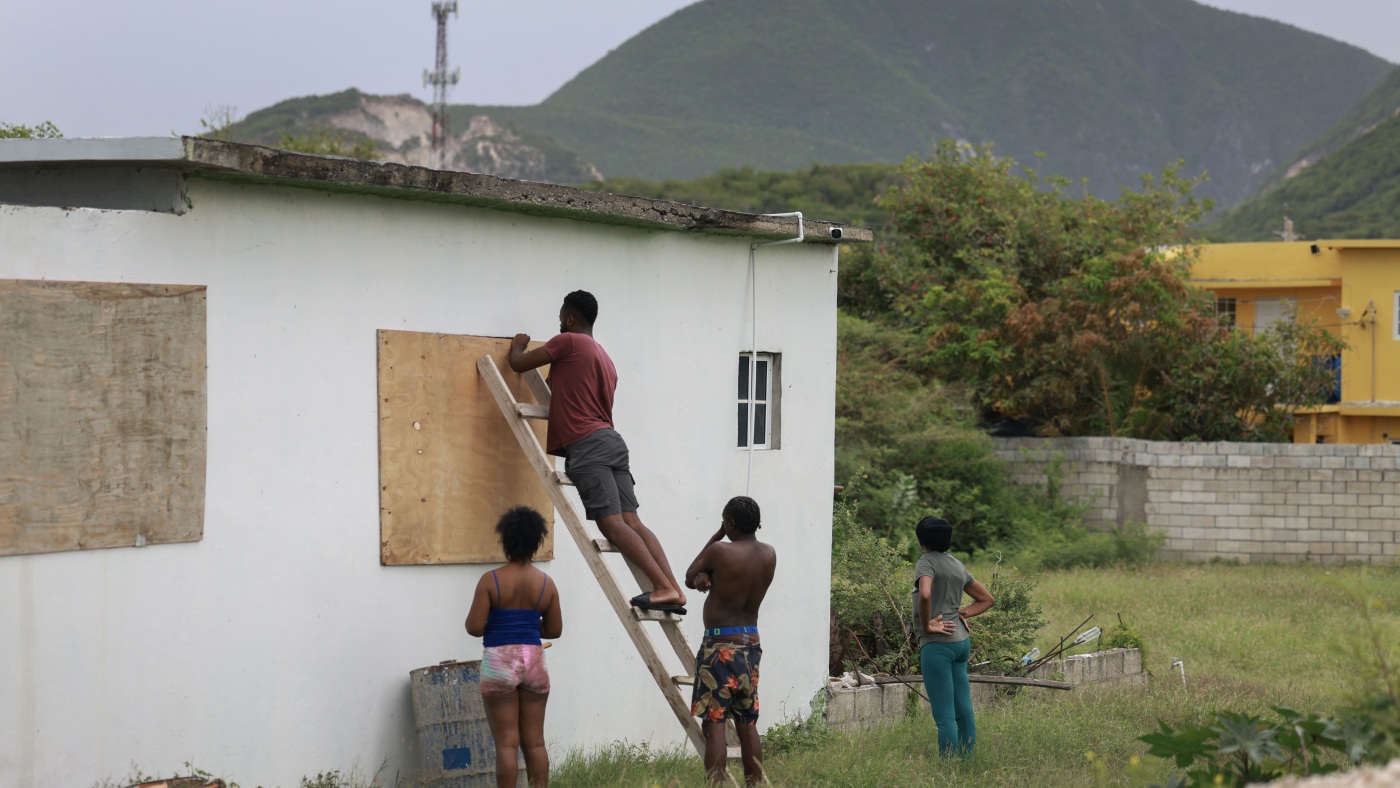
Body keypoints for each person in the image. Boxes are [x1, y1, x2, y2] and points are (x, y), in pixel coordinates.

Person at [509, 290, 686, 614]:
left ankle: (662, 588)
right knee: (633, 521)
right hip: (613, 442)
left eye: (561, 317)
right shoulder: (604, 358)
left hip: (588, 447)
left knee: (612, 525)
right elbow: (570, 387)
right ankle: (673, 588)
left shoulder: (569, 342)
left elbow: (519, 364)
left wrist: (519, 344)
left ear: (570, 318)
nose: (559, 323)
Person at [466, 506, 563, 788]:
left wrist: (498, 627)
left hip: (499, 662)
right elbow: (554, 630)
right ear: (536, 542)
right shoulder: (547, 583)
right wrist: (529, 626)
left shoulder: (490, 581)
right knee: (535, 743)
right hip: (534, 659)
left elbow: (473, 627)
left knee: (507, 745)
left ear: (506, 541)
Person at [684, 496, 776, 786]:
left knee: (715, 724)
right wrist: (706, 575)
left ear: (730, 524)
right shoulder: (769, 554)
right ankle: (755, 784)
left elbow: (688, 576)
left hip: (719, 647)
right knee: (748, 723)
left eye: (725, 522)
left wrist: (716, 536)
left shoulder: (720, 551)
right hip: (751, 645)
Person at [912, 516, 995, 758]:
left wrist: (927, 625)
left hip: (937, 645)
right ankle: (965, 761)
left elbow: (925, 594)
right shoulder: (957, 565)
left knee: (944, 715)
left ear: (921, 541)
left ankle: (948, 767)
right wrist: (961, 614)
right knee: (963, 709)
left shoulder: (926, 562)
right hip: (961, 643)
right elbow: (987, 599)